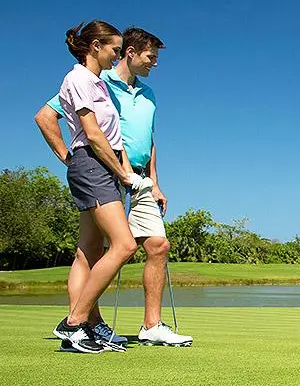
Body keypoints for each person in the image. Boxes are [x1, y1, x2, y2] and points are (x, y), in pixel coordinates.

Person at [36, 26, 192, 347]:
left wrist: (155, 182)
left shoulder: (147, 94)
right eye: (151, 57)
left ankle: (149, 325)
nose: (155, 64)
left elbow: (148, 140)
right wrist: (69, 157)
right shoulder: (96, 81)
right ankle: (78, 322)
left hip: (138, 178)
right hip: (107, 170)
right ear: (130, 53)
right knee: (100, 249)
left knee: (156, 246)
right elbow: (48, 117)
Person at [47, 20, 141, 353]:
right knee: (124, 245)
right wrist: (120, 172)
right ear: (95, 47)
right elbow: (93, 134)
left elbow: (112, 137)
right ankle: (75, 322)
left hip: (100, 167)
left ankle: (87, 327)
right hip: (93, 165)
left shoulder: (97, 83)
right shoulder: (78, 78)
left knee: (88, 252)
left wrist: (121, 170)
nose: (117, 54)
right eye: (115, 49)